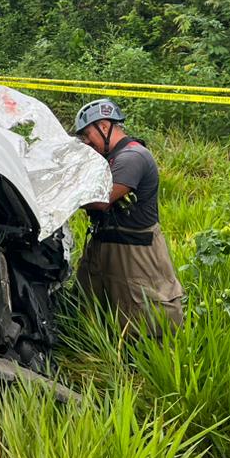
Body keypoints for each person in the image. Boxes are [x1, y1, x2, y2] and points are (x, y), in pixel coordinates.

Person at [72, 98, 185, 334]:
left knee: (146, 311)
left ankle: (144, 362)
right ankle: (93, 345)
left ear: (104, 127)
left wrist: (64, 197)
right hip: (105, 241)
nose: (85, 142)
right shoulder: (110, 158)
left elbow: (103, 200)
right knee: (89, 299)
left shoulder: (132, 157)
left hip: (135, 249)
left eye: (86, 135)